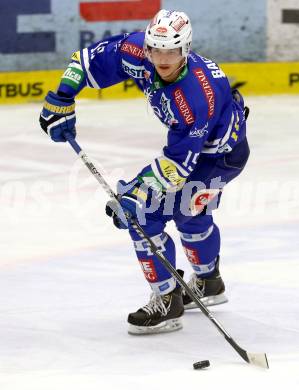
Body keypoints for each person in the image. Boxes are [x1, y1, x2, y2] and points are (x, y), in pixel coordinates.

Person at [39, 9, 250, 335]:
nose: (163, 59)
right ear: (147, 47)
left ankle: (168, 302)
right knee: (188, 213)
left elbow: (177, 166)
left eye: (172, 52)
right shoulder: (138, 51)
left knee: (145, 214)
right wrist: (62, 96)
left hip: (220, 156)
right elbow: (84, 61)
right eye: (156, 50)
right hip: (211, 150)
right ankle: (209, 282)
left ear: (186, 49)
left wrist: (134, 192)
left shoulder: (196, 96)